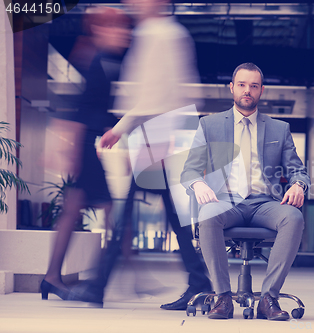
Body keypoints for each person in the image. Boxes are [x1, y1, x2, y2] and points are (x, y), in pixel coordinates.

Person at [83, 0, 212, 309]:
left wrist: (122, 128)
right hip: (155, 135)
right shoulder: (160, 32)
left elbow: (158, 94)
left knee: (129, 211)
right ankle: (199, 280)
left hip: (157, 136)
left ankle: (99, 285)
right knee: (166, 214)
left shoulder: (160, 34)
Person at [181, 62, 310, 320]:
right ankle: (223, 298)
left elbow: (298, 169)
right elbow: (189, 170)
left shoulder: (279, 129)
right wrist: (198, 184)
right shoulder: (210, 125)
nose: (247, 91)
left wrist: (298, 184)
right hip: (225, 201)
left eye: (253, 86)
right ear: (232, 88)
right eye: (241, 85)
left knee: (293, 217)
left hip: (265, 203)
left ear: (262, 90)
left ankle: (269, 298)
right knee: (208, 214)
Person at [40, 7, 130, 300]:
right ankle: (109, 278)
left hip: (89, 144)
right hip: (85, 147)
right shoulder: (97, 60)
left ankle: (52, 277)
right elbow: (80, 110)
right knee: (110, 210)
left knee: (73, 211)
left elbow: (95, 109)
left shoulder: (101, 60)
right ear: (101, 29)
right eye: (118, 28)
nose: (124, 34)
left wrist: (114, 129)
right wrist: (71, 151)